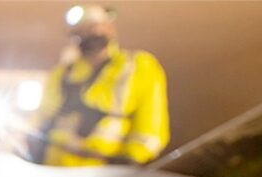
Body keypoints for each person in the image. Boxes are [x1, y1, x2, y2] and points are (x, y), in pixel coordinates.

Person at [30, 5, 169, 166]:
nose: (87, 34)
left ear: (109, 28)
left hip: (106, 173)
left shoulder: (138, 66)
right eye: (80, 30)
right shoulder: (61, 74)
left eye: (92, 27)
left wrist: (132, 159)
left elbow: (151, 124)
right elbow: (40, 120)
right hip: (55, 170)